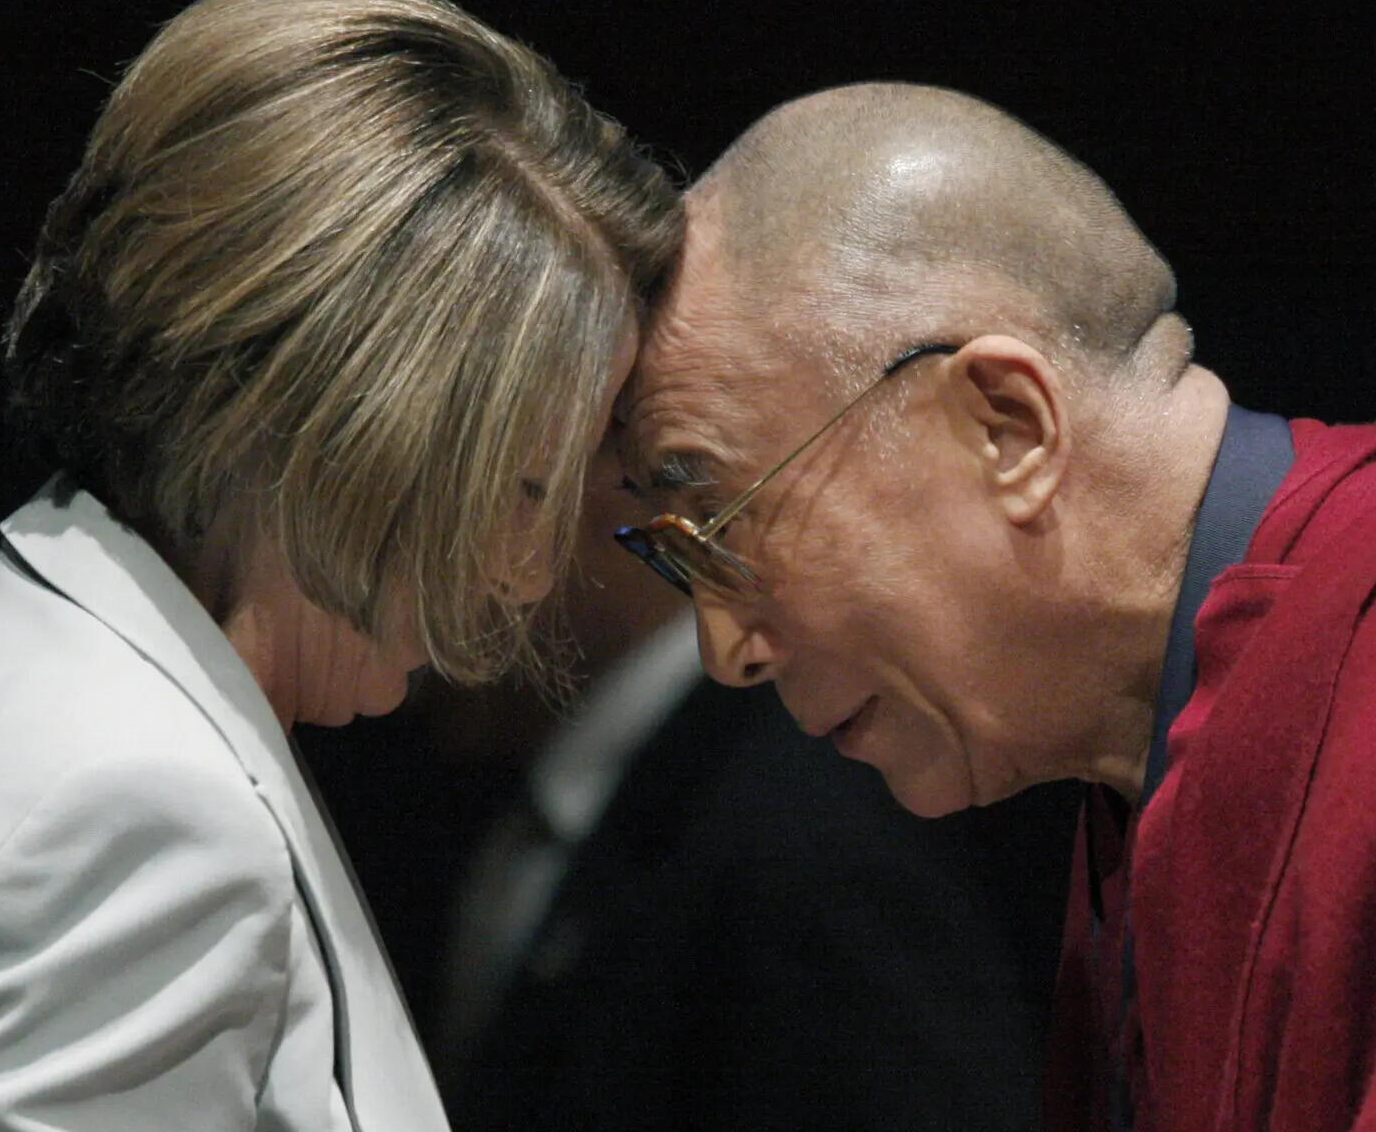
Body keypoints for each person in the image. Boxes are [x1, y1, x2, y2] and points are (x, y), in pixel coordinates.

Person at [0, 0, 680, 1131]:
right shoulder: (148, 802)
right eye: (511, 487)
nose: (523, 574)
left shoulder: (40, 635)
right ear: (309, 418)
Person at [612, 83, 1376, 1131]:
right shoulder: (1142, 766)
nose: (727, 652)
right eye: (678, 560)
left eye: (729, 528)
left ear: (1008, 428)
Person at [429, 449, 1081, 1132]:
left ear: (611, 491)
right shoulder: (539, 795)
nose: (435, 557)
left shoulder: (802, 845)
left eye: (472, 494)